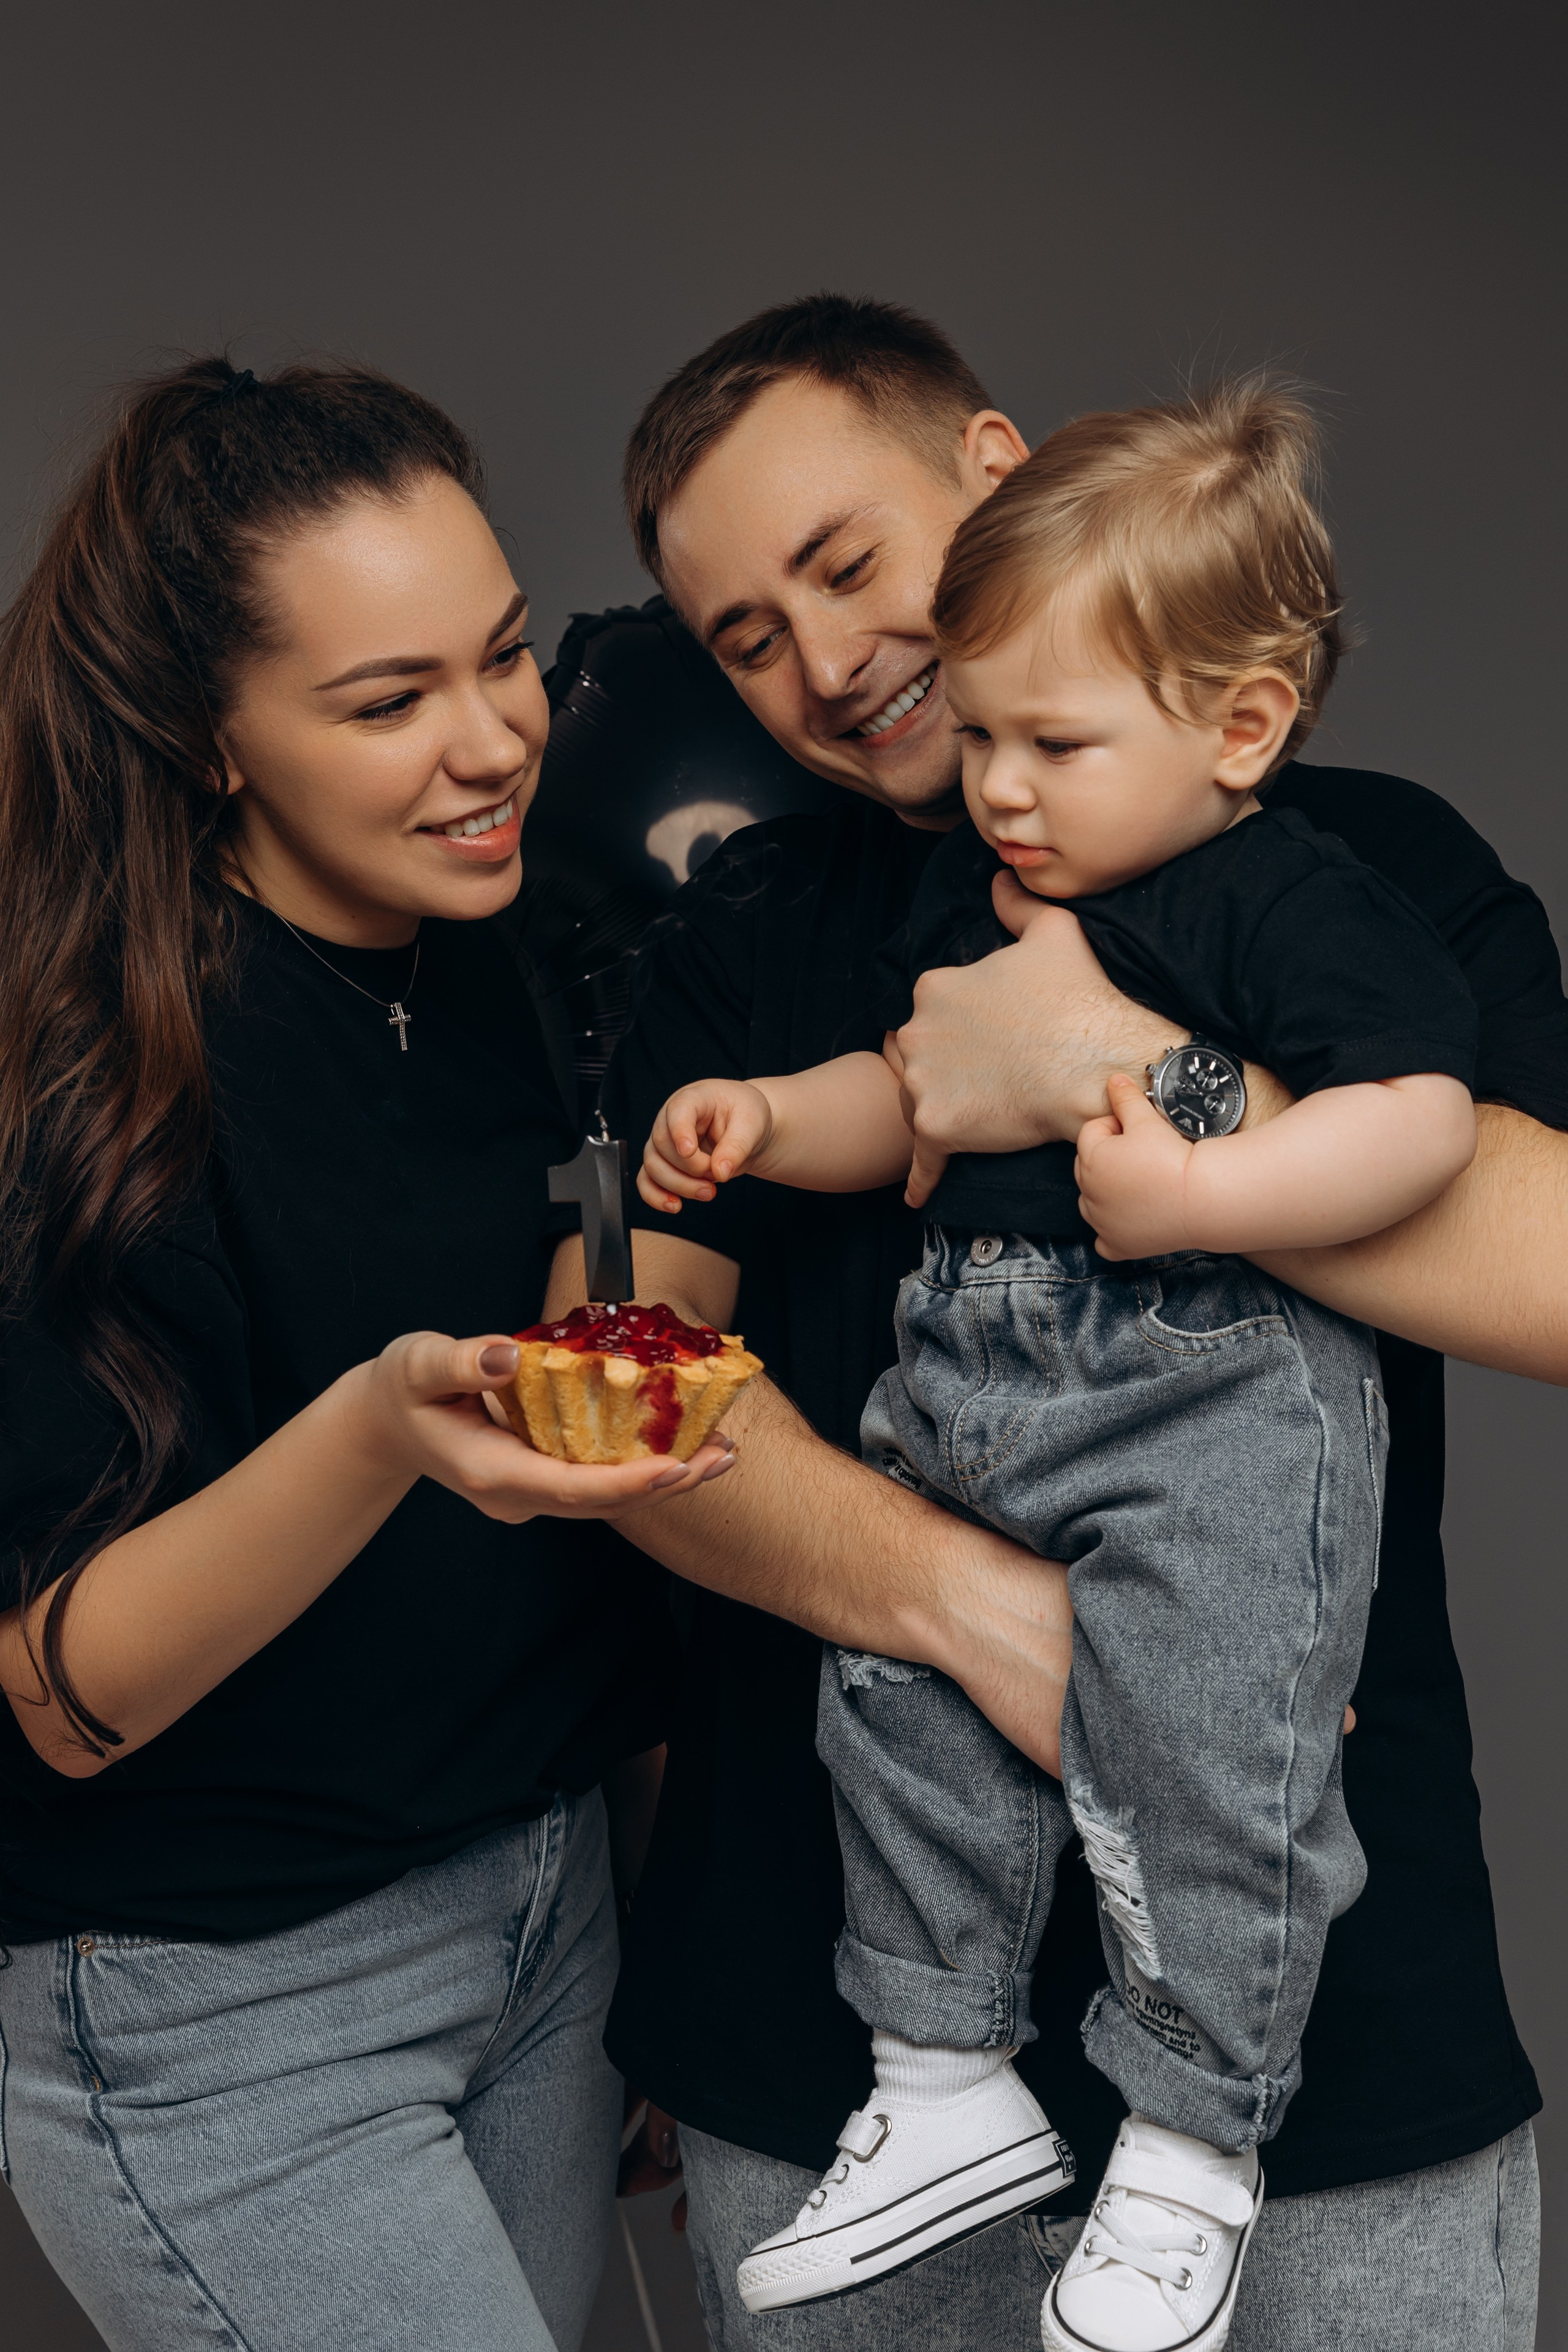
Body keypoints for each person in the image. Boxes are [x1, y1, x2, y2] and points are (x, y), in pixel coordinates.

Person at [576, 297, 1561, 2351]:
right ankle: (951, 2085)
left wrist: (1118, 1077)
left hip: (1334, 2078)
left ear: (995, 470)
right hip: (831, 2042)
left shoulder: (1363, 866)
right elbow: (630, 1410)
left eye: (846, 563)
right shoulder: (741, 942)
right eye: (746, 637)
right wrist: (986, 1618)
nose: (831, 661)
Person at [0, 357, 733, 2352]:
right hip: (225, 2004)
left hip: (544, 1917)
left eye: (500, 657)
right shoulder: (86, 1088)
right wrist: (377, 1429)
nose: (494, 741)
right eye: (387, 702)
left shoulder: (493, 960)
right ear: (212, 738)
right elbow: (50, 1705)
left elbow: (581, 1561)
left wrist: (648, 1931)